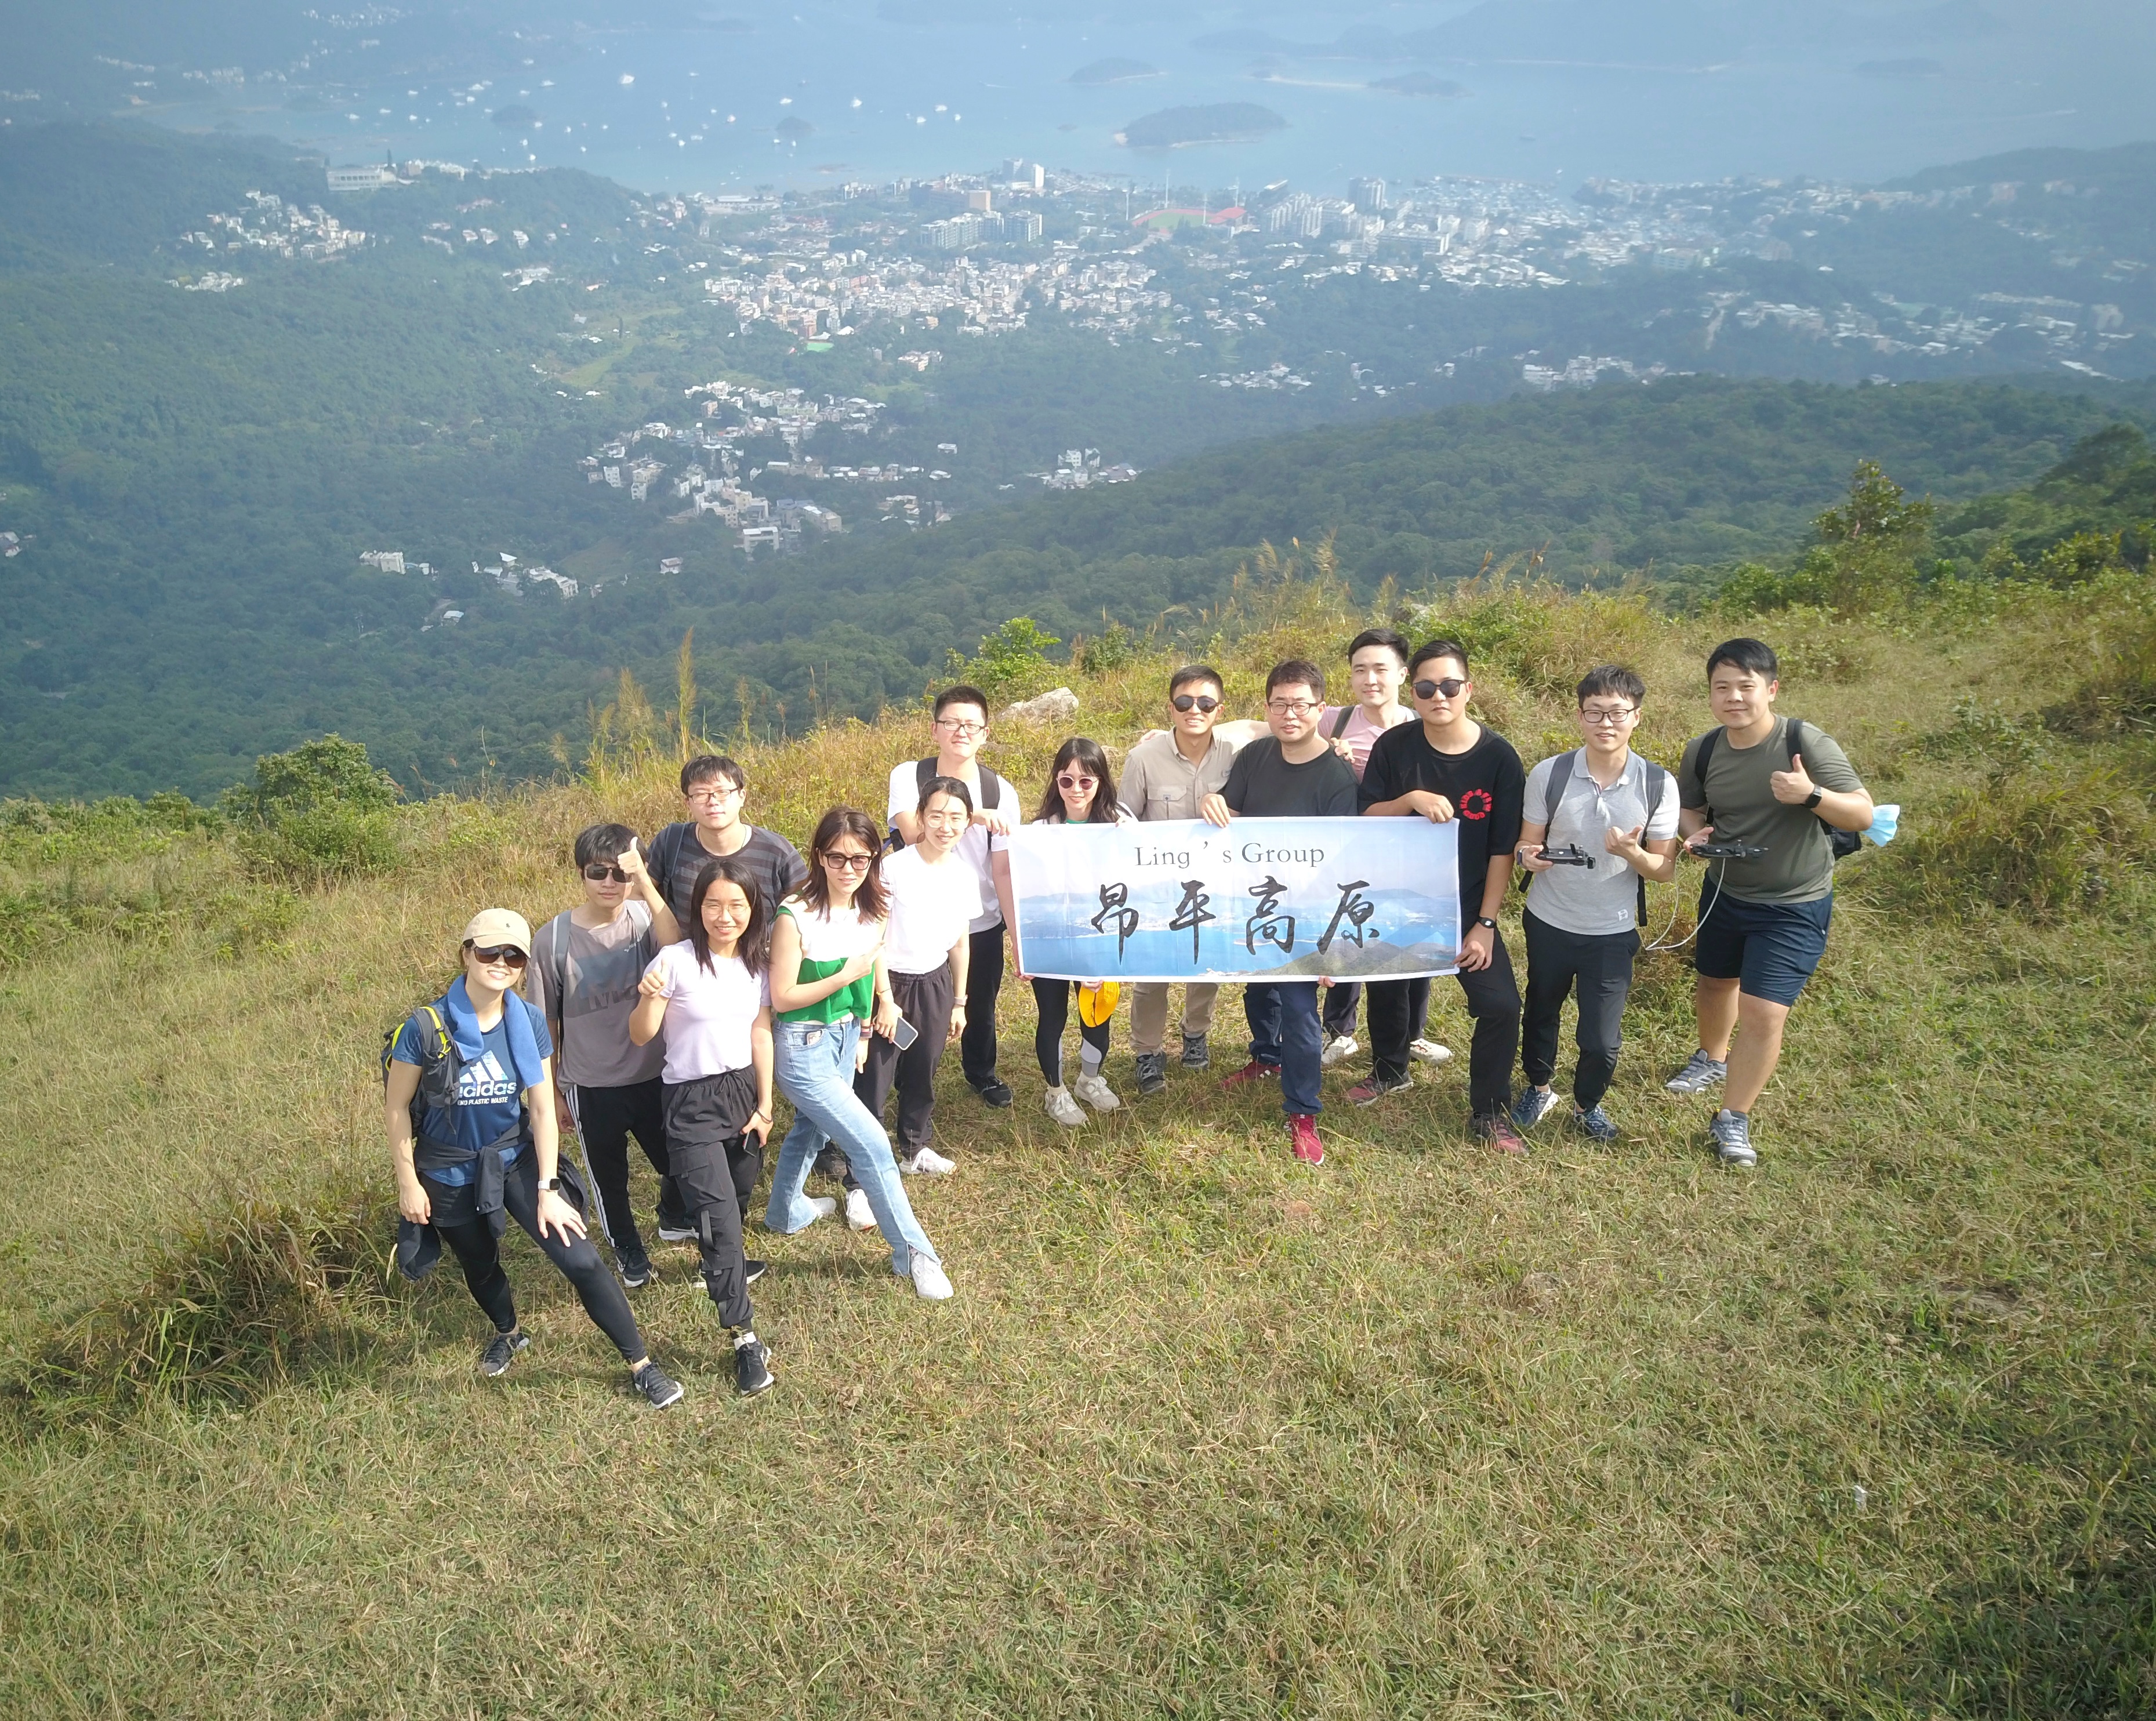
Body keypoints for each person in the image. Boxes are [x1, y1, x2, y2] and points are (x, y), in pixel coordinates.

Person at [386, 909, 684, 1409]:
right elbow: (396, 1108)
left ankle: (642, 1365)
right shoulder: (423, 1028)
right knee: (479, 1263)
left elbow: (543, 1109)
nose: (501, 963)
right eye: (489, 952)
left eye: (514, 956)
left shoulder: (525, 1021)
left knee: (582, 1259)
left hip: (515, 1157)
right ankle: (508, 1331)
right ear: (466, 954)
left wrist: (548, 1188)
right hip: (446, 1168)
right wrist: (408, 1183)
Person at [1665, 637, 1873, 1169]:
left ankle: (1732, 1117)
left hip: (1794, 902)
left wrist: (1811, 795)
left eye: (1746, 686)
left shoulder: (1804, 741)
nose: (1734, 697)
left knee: (1763, 1011)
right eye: (1722, 687)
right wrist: (1694, 834)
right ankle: (1712, 1058)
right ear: (1710, 693)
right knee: (1716, 982)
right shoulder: (1702, 749)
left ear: (1772, 689)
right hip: (1726, 890)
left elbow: (1863, 814)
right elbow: (1690, 809)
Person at [762, 807, 954, 1300]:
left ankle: (785, 1213)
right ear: (819, 857)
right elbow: (782, 997)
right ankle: (915, 1254)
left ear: (873, 859)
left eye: (861, 859)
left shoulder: (873, 905)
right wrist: (844, 976)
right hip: (803, 1048)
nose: (848, 869)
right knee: (872, 1146)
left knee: (812, 1128)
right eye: (837, 858)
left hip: (847, 1036)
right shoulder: (794, 915)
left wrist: (879, 1007)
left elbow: (875, 955)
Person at [1355, 639, 1529, 1152]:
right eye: (1427, 688)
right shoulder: (1395, 746)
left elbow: (1502, 849)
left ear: (1468, 689)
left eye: (1449, 686)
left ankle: (1489, 1110)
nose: (1439, 696)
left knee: (1500, 1007)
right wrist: (1409, 799)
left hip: (1467, 905)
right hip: (1400, 898)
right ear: (1413, 692)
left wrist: (1486, 924)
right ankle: (1389, 1069)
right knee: (1387, 986)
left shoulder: (1499, 758)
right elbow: (1366, 817)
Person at [1510, 667, 1682, 1142]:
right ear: (1580, 716)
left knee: (1602, 1039)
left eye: (1617, 713)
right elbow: (1525, 844)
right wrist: (1529, 857)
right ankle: (1539, 1088)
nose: (1606, 723)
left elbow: (1664, 869)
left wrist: (1632, 853)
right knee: (1541, 1011)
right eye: (1595, 713)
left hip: (1612, 928)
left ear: (1636, 717)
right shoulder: (1550, 773)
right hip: (1549, 920)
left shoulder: (1658, 783)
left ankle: (1588, 1104)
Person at [630, 859, 780, 1396]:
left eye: (736, 905)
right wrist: (650, 996)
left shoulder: (757, 965)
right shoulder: (674, 961)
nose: (725, 916)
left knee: (737, 1196)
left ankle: (699, 1239)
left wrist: (766, 1105)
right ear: (698, 908)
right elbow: (641, 1034)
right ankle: (744, 1337)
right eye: (713, 904)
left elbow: (761, 1032)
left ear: (752, 910)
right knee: (720, 1223)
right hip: (690, 1101)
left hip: (742, 1094)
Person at [1202, 659, 1360, 1167]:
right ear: (1267, 708)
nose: (1289, 714)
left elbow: (1342, 862)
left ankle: (1303, 1110)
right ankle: (1266, 1056)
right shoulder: (1255, 756)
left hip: (1308, 913)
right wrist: (1212, 803)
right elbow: (1230, 812)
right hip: (1255, 903)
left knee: (1300, 1009)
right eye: (1280, 704)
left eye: (1300, 705)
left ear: (1320, 709)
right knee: (1259, 991)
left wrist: (1332, 944)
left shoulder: (1337, 777)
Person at [526, 823, 686, 1290]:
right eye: (599, 872)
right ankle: (628, 1249)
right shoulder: (553, 940)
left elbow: (676, 947)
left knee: (678, 1160)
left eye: (622, 874)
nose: (610, 883)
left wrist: (647, 886)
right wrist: (554, 1091)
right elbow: (545, 1024)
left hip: (655, 1072)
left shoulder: (645, 919)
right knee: (608, 1180)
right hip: (591, 1083)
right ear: (581, 873)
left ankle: (674, 1215)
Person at [1310, 627, 1450, 1073]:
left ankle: (1412, 1034)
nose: (1370, 679)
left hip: (1411, 856)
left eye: (1380, 669)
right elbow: (1272, 726)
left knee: (1413, 939)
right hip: (1350, 853)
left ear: (1403, 675)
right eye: (1360, 670)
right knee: (1349, 935)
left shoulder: (1423, 721)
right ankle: (1341, 1032)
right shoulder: (1335, 721)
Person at [886, 685, 1019, 1110]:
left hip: (977, 917)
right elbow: (911, 833)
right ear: (935, 730)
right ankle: (903, 1075)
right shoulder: (909, 776)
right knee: (907, 999)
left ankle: (981, 1071)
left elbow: (1002, 868)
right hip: (913, 917)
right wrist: (970, 815)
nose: (961, 732)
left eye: (971, 725)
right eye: (951, 723)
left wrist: (1016, 934)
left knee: (979, 1002)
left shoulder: (1001, 792)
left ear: (985, 734)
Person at [992, 737, 1134, 1128]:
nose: (1076, 790)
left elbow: (1142, 870)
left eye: (1086, 781)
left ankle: (1090, 1079)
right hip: (1051, 939)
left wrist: (1130, 838)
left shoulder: (1121, 821)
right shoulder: (1039, 831)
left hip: (1100, 939)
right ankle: (1055, 1091)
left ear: (1101, 781)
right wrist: (1021, 944)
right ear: (1056, 781)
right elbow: (1015, 880)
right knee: (1052, 1015)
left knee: (1097, 1012)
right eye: (1066, 781)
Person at [1117, 664, 1245, 1095]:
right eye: (1185, 702)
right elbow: (1125, 817)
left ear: (1220, 710)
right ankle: (1147, 1051)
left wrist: (1335, 742)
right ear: (1170, 708)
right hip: (1158, 886)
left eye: (1206, 703)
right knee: (1151, 973)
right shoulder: (1143, 758)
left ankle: (1196, 1032)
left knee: (1205, 963)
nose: (1195, 710)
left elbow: (1282, 726)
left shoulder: (1237, 754)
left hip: (1214, 883)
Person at [857, 776, 982, 1175]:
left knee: (923, 1069)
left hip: (935, 982)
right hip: (888, 982)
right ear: (921, 817)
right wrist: (885, 1000)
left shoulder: (964, 875)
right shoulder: (893, 868)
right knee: (874, 1077)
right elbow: (874, 939)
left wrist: (959, 1002)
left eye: (956, 817)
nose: (946, 826)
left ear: (968, 822)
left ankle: (914, 1147)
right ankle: (862, 1169)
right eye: (937, 815)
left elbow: (960, 944)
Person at [648, 753, 807, 949]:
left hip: (759, 962)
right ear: (688, 803)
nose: (713, 802)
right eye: (700, 795)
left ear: (742, 796)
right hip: (691, 961)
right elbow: (638, 893)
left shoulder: (777, 852)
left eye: (722, 792)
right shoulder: (672, 841)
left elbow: (807, 908)